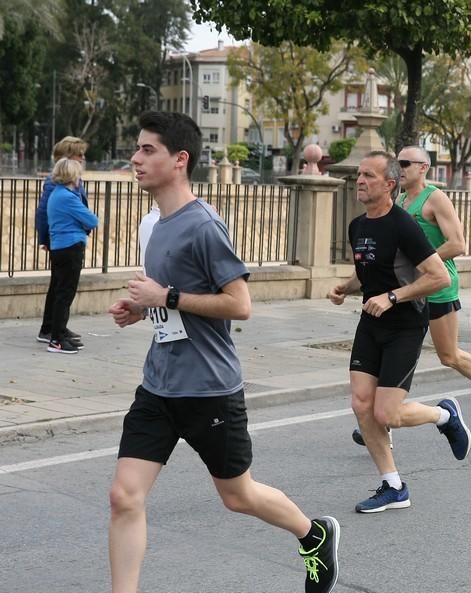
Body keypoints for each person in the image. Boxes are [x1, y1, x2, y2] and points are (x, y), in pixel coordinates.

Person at [107, 111, 340, 593]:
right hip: (159, 383)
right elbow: (169, 295)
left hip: (209, 387)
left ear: (179, 160)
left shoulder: (205, 226)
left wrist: (165, 298)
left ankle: (314, 534)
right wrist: (140, 307)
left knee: (238, 496)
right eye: (137, 147)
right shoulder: (153, 224)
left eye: (148, 149)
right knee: (124, 496)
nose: (136, 158)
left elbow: (240, 304)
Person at [328, 150, 469, 514]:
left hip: (405, 325)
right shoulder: (358, 225)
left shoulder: (403, 224)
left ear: (389, 185)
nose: (360, 180)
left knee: (386, 414)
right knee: (361, 404)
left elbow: (437, 276)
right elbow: (368, 270)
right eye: (359, 174)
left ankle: (445, 416)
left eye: (369, 176)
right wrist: (344, 287)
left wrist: (393, 297)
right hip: (370, 324)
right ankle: (394, 486)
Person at [350, 145, 471, 448]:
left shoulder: (436, 198)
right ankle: (384, 420)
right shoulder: (399, 201)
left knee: (448, 356)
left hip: (437, 286)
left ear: (424, 168)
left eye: (406, 162)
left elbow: (457, 243)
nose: (400, 167)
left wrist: (419, 261)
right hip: (405, 291)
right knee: (393, 358)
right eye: (398, 162)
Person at [36, 136, 89, 347]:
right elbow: (43, 212)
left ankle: (54, 327)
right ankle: (52, 329)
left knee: (59, 285)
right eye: (79, 154)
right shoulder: (55, 183)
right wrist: (45, 238)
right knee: (62, 287)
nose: (83, 158)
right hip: (62, 240)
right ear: (68, 157)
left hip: (65, 238)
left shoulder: (71, 180)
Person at [45, 158, 98, 354]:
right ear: (72, 176)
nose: (80, 179)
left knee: (62, 293)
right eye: (78, 175)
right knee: (65, 294)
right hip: (70, 248)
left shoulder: (57, 194)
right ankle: (57, 340)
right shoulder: (67, 197)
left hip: (60, 247)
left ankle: (59, 331)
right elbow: (92, 220)